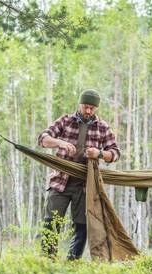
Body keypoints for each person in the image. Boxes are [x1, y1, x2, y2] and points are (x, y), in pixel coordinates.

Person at [37, 89, 121, 260]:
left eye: (92, 108)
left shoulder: (103, 128)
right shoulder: (65, 121)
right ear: (79, 104)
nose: (88, 111)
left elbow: (115, 153)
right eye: (85, 107)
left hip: (85, 185)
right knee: (51, 222)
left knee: (81, 226)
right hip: (60, 181)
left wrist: (99, 153)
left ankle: (73, 262)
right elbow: (43, 139)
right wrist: (60, 142)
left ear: (96, 108)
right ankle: (47, 261)